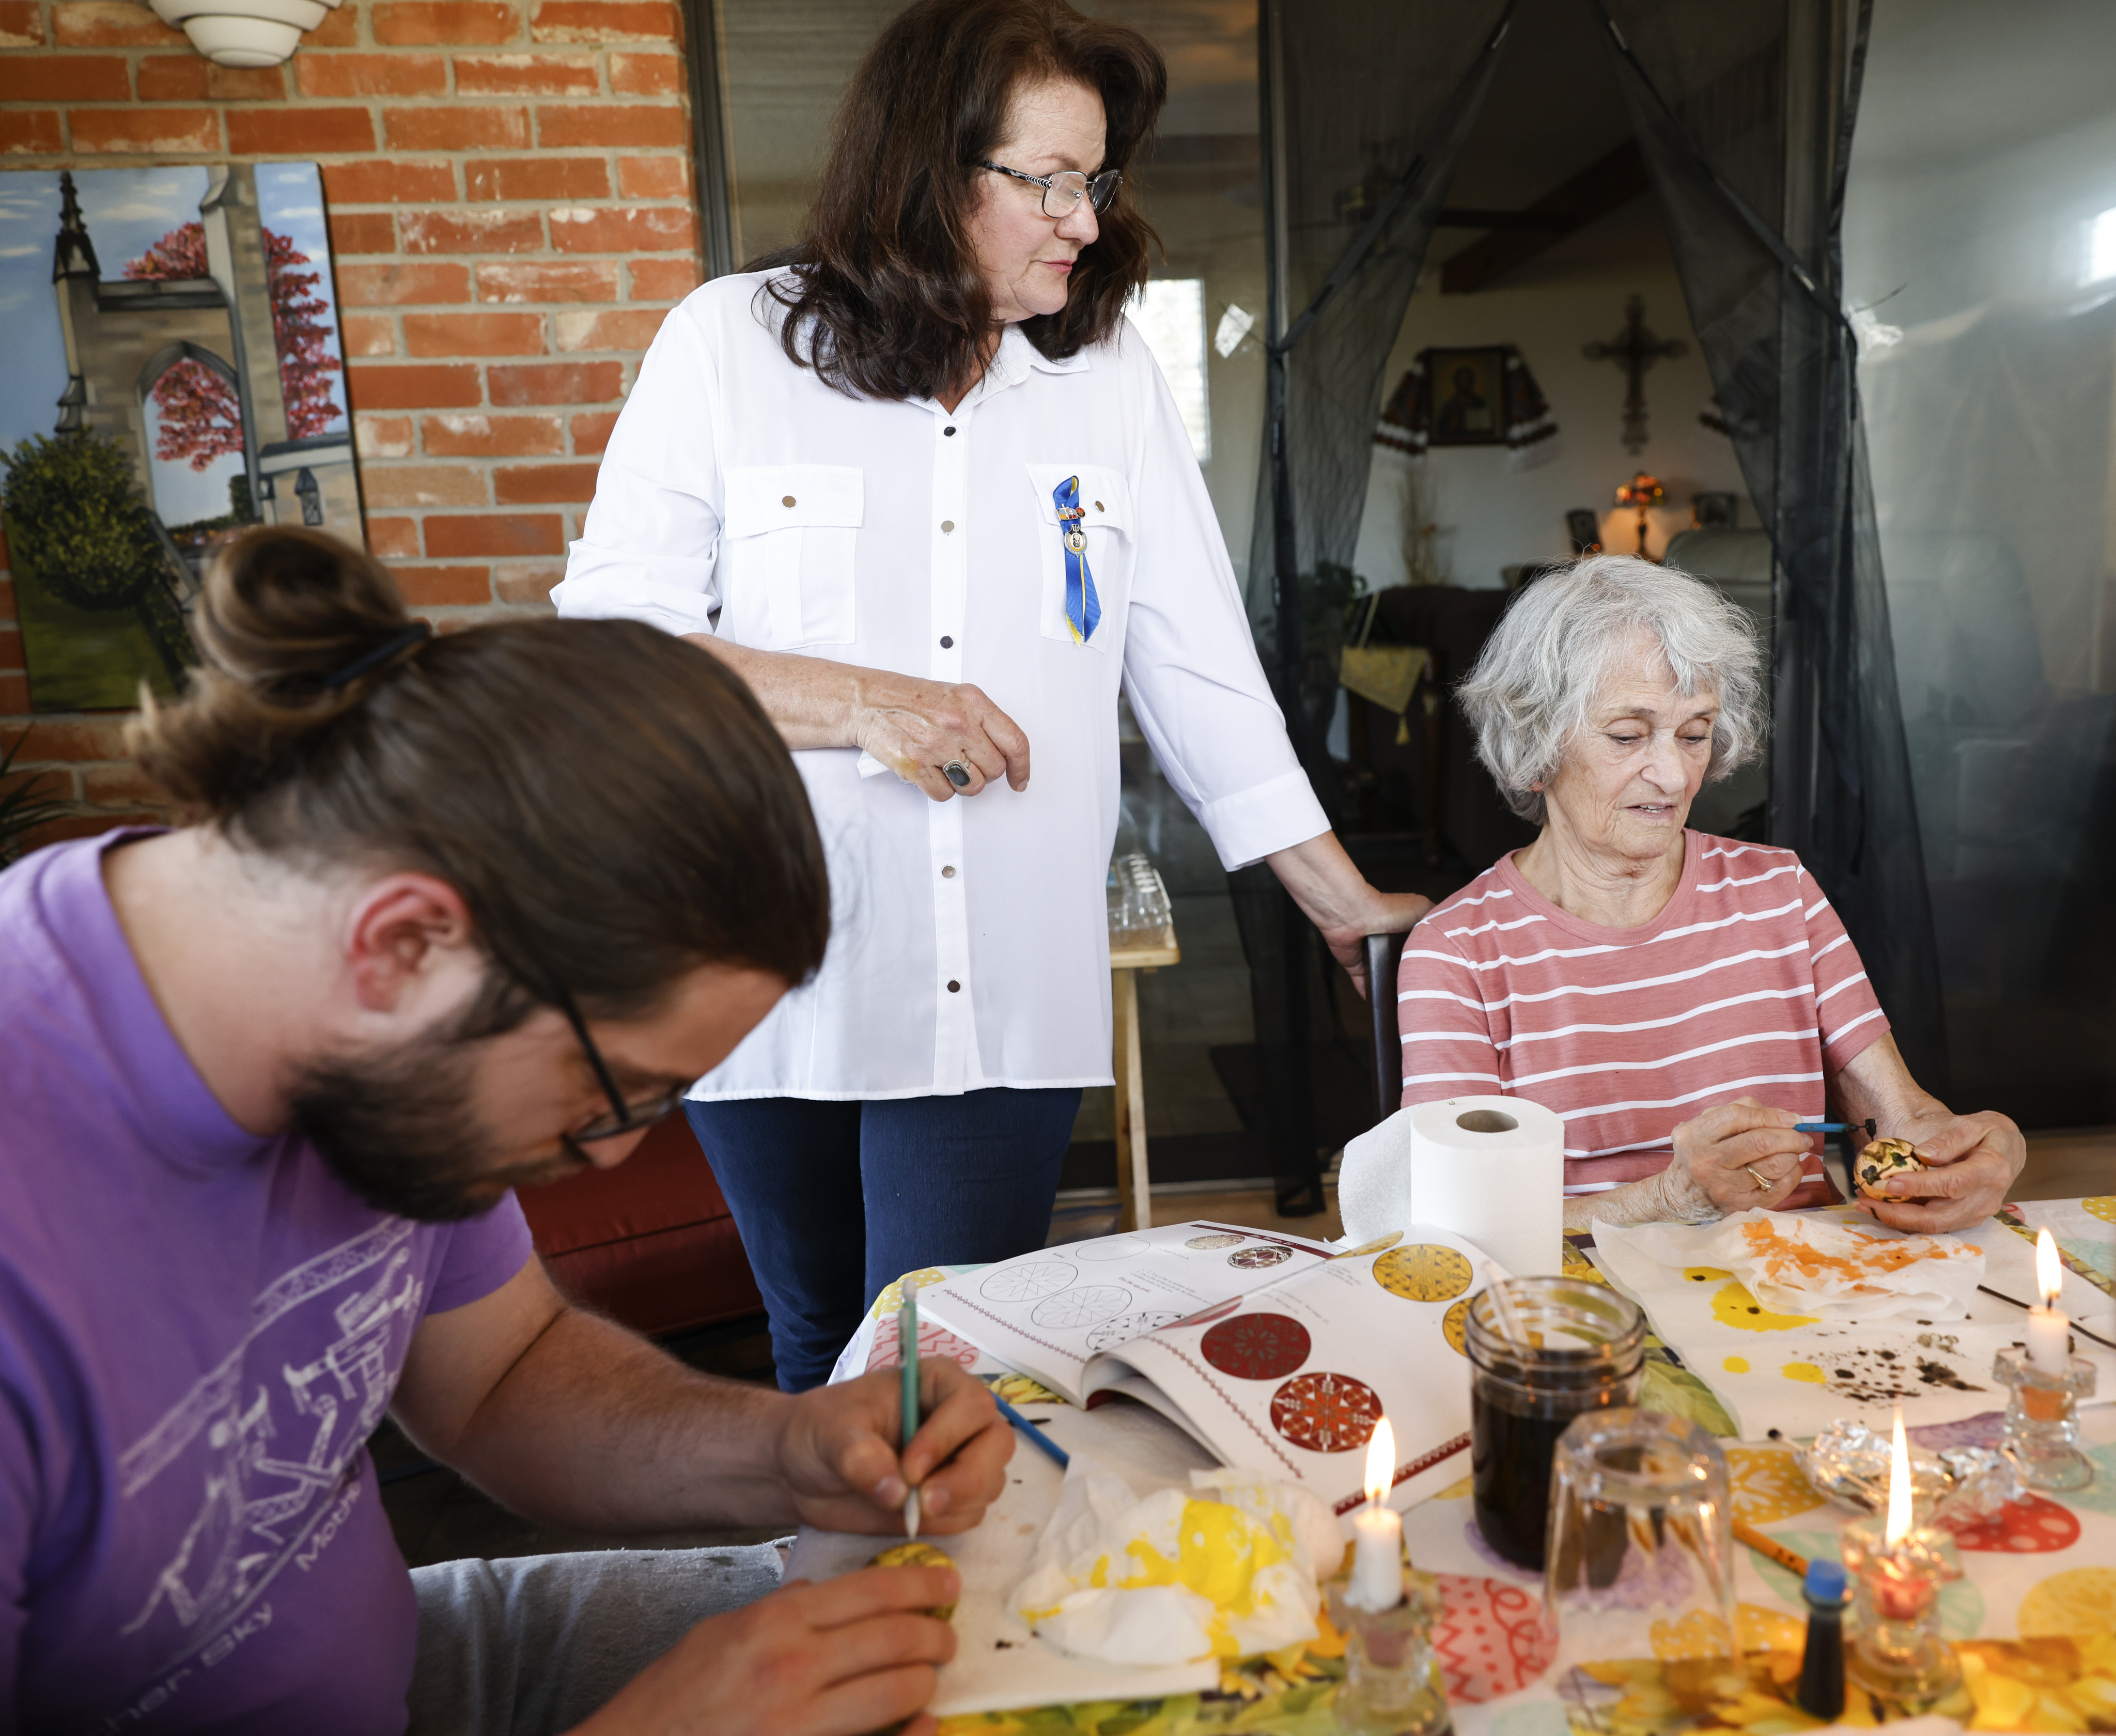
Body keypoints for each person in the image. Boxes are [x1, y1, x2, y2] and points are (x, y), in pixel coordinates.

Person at [0, 528, 1012, 1736]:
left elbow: (503, 1376)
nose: (613, 1156)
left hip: (413, 1664)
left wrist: (789, 1450)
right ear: (406, 941)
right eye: (611, 1093)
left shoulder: (372, 1042)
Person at [553, 0, 1429, 1391]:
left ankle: (927, 1597)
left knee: (939, 1367)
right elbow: (608, 649)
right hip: (757, 961)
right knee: (811, 1341)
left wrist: (1343, 901)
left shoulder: (1108, 382)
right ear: (929, 167)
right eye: (1051, 179)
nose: (1084, 219)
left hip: (1003, 976)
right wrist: (864, 703)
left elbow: (1196, 661)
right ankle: (840, 1603)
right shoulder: (731, 344)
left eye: (1098, 179)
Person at [1374, 555, 2023, 1232]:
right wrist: (1674, 1197)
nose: (1674, 774)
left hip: (1800, 1287)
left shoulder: (1781, 892)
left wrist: (1976, 1148)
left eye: (1694, 733)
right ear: (1537, 743)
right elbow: (1457, 1217)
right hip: (1588, 1313)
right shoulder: (1457, 953)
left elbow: (1899, 1115)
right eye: (1628, 735)